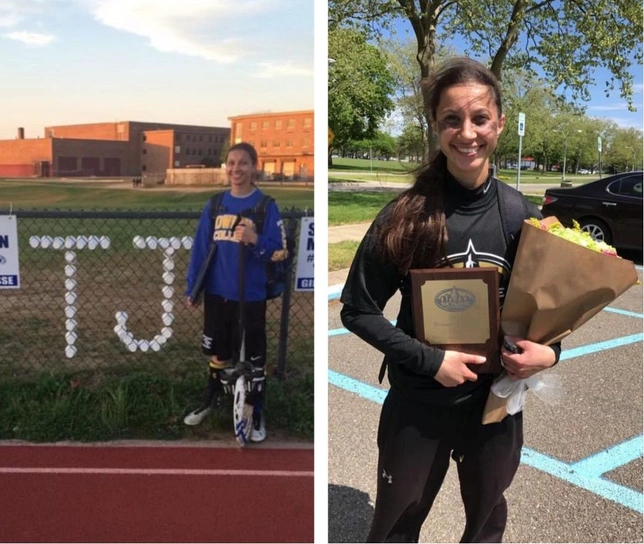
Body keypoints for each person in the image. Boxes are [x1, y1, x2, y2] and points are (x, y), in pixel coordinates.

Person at [339, 57, 561, 542]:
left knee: (485, 522)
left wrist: (549, 354)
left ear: (500, 124)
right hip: (419, 402)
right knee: (397, 524)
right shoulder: (406, 216)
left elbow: (546, 315)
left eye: (480, 118)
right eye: (451, 120)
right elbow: (356, 308)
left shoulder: (520, 215)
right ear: (436, 126)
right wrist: (430, 359)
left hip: (494, 403)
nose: (467, 133)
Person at [182, 142, 284, 442]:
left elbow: (280, 252)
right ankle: (211, 401)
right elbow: (200, 250)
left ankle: (256, 411)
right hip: (218, 294)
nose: (236, 169)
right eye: (231, 163)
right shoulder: (215, 206)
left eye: (243, 163)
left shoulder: (266, 206)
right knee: (219, 354)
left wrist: (255, 239)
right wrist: (193, 288)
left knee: (255, 359)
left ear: (254, 167)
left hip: (251, 296)